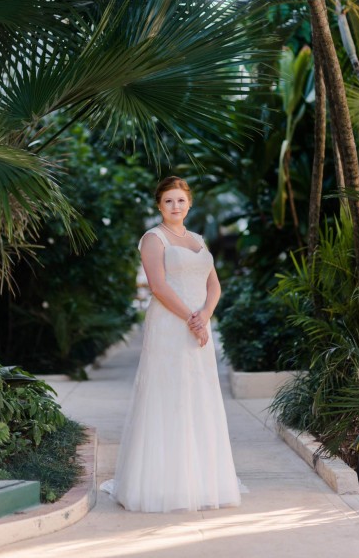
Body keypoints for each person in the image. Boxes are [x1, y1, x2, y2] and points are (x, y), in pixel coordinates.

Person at [101, 176, 243, 512]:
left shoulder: (197, 239)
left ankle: (200, 481)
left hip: (199, 328)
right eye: (168, 201)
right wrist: (191, 319)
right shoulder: (154, 238)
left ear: (189, 203)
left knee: (198, 395)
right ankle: (162, 483)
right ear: (159, 205)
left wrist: (205, 315)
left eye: (180, 200)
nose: (175, 206)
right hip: (170, 324)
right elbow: (159, 287)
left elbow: (215, 286)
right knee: (169, 395)